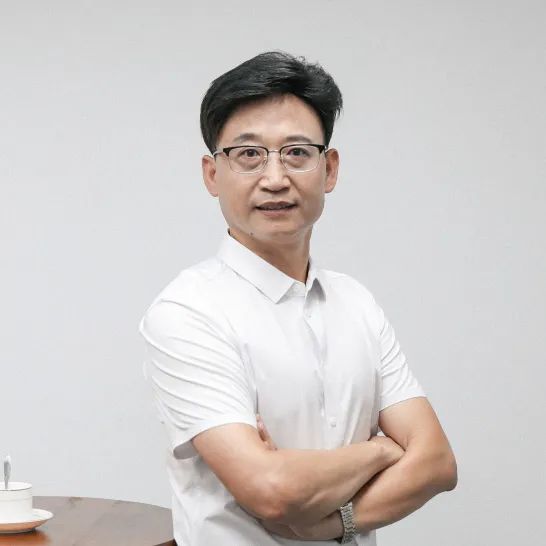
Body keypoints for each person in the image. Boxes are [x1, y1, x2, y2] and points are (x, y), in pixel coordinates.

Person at [138, 50, 457, 545]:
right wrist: (382, 450)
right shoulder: (188, 312)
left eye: (297, 153)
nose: (274, 178)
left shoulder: (356, 302)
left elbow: (437, 462)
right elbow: (271, 492)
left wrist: (332, 523)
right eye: (248, 154)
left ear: (329, 170)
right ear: (212, 174)